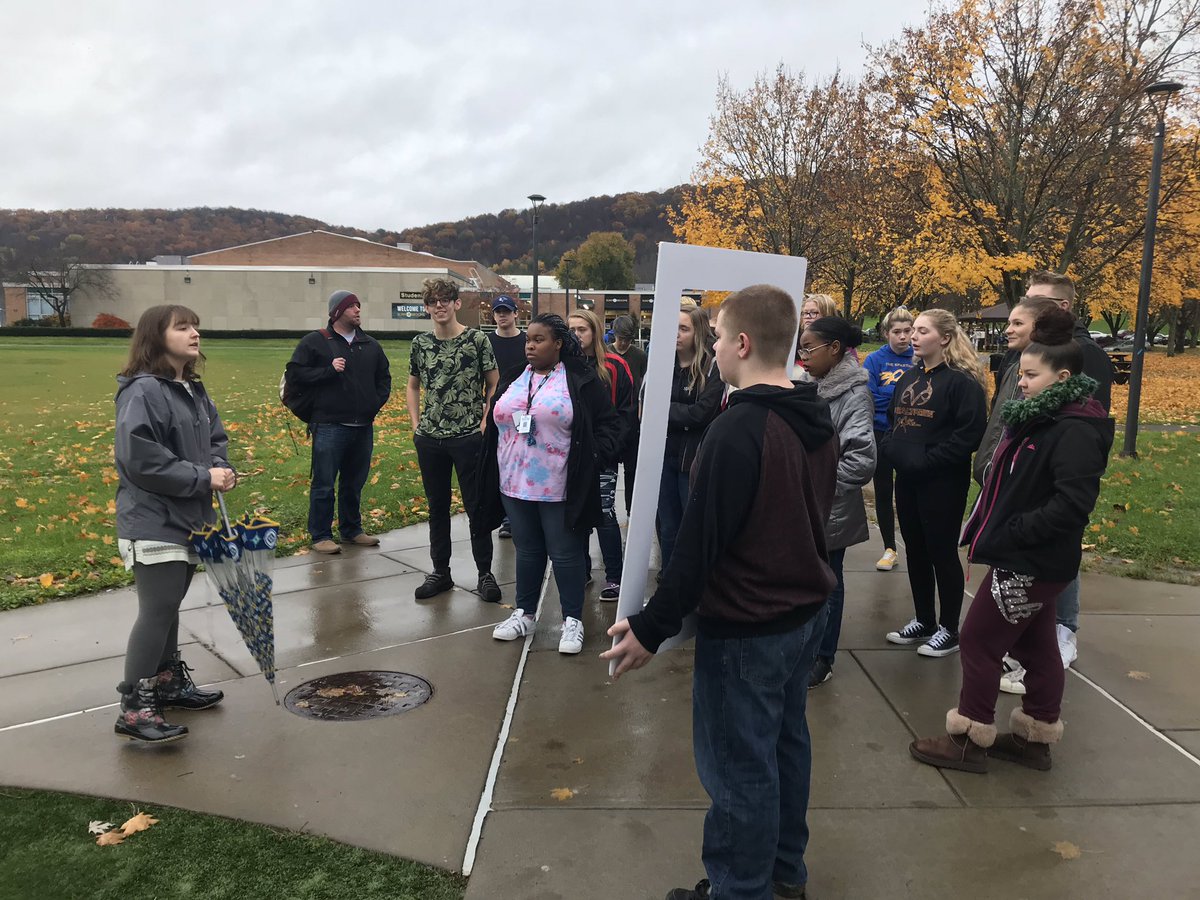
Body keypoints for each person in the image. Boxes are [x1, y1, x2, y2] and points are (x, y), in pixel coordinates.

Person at [603, 284, 838, 900]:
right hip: (802, 614)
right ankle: (784, 873)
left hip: (751, 625)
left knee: (741, 768)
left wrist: (650, 628)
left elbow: (697, 545)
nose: (711, 343)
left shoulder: (741, 427)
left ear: (741, 342)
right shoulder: (812, 414)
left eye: (717, 334)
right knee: (784, 748)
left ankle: (741, 889)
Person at [909, 308, 1113, 773]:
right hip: (1027, 557)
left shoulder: (1073, 429)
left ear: (1062, 377)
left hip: (1030, 561)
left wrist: (1015, 533)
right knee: (1036, 646)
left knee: (979, 640)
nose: (1020, 382)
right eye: (1020, 373)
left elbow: (1072, 505)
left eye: (1030, 375)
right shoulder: (1043, 419)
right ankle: (1034, 738)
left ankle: (968, 738)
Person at [113, 305, 236, 743]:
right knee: (158, 609)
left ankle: (166, 685)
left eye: (195, 326)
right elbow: (140, 458)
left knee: (169, 607)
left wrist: (221, 469)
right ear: (155, 336)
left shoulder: (192, 389)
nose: (194, 333)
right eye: (182, 327)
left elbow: (214, 440)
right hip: (153, 519)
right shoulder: (144, 391)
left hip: (190, 517)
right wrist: (204, 477)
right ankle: (134, 707)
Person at [480, 315, 626, 653]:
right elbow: (499, 415)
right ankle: (525, 613)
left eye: (539, 339)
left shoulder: (579, 379)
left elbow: (610, 425)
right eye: (528, 339)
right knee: (527, 550)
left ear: (558, 343)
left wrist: (592, 458)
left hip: (560, 485)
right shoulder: (516, 375)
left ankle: (572, 620)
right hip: (514, 482)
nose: (530, 345)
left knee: (565, 553)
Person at [1022, 270, 1116, 673]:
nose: (1027, 309)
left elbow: (1084, 421)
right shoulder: (1036, 348)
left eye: (1037, 302)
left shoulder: (1083, 354)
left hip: (1060, 469)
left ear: (1062, 307)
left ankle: (1063, 627)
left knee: (1060, 543)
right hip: (1031, 464)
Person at [884, 309, 988, 658]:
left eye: (922, 330)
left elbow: (968, 436)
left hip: (942, 482)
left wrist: (928, 462)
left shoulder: (963, 382)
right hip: (908, 479)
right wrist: (891, 449)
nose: (913, 335)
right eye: (913, 329)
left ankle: (949, 628)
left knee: (941, 552)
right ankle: (925, 620)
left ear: (944, 338)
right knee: (915, 549)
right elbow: (893, 418)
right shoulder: (909, 376)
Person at [406, 278, 502, 603]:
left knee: (477, 507)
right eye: (433, 302)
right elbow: (413, 385)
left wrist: (486, 418)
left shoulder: (476, 340)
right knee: (437, 508)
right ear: (427, 307)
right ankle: (440, 572)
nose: (439, 306)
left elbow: (494, 383)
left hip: (468, 437)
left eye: (445, 300)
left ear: (457, 303)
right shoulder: (420, 343)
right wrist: (417, 425)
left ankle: (485, 574)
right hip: (431, 439)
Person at [800, 317, 877, 689]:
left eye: (808, 348)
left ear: (834, 349)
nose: (802, 357)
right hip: (804, 506)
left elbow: (861, 459)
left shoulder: (853, 392)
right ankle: (806, 648)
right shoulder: (808, 385)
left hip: (830, 510)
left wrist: (816, 485)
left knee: (829, 584)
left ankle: (823, 657)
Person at [286, 290, 392, 554]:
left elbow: (384, 379)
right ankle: (321, 535)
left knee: (353, 483)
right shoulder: (315, 342)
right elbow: (295, 374)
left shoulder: (370, 345)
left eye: (358, 305)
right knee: (323, 483)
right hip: (329, 425)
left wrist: (372, 404)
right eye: (351, 306)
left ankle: (351, 530)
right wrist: (328, 371)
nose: (358, 310)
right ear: (337, 312)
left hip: (362, 426)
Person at [569, 310, 636, 600]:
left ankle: (614, 576)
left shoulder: (615, 366)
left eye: (582, 329)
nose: (576, 335)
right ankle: (581, 569)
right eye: (571, 329)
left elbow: (626, 413)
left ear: (595, 332)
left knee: (605, 513)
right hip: (569, 454)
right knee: (576, 513)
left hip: (603, 453)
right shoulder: (563, 366)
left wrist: (607, 448)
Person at [658, 306, 723, 571]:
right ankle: (669, 578)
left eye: (683, 328)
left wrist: (665, 409)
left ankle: (691, 583)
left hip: (694, 459)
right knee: (667, 526)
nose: (676, 334)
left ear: (698, 332)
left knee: (691, 525)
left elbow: (703, 413)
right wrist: (677, 412)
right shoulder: (662, 363)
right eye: (673, 327)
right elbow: (646, 406)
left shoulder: (711, 366)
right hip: (663, 457)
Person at [861, 308, 915, 572]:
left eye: (908, 331)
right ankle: (889, 548)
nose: (903, 337)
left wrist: (890, 395)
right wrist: (901, 396)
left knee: (908, 491)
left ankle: (915, 545)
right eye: (897, 332)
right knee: (884, 491)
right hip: (880, 432)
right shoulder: (874, 360)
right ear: (886, 333)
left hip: (911, 434)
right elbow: (869, 396)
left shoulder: (918, 359)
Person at [488, 295, 525, 540]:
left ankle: (517, 517)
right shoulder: (486, 342)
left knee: (521, 457)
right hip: (495, 409)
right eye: (498, 311)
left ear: (515, 314)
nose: (502, 315)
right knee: (498, 461)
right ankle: (504, 517)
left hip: (523, 410)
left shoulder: (525, 341)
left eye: (506, 311)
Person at [609, 315, 647, 515]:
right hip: (611, 417)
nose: (623, 342)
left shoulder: (639, 356)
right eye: (620, 337)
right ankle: (609, 509)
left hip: (632, 416)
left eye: (627, 338)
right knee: (610, 470)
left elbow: (643, 385)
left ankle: (632, 511)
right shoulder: (606, 353)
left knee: (632, 470)